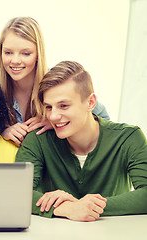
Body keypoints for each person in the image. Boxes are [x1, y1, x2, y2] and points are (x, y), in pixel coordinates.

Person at [15, 61, 147, 221]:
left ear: (91, 103)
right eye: (48, 107)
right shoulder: (37, 140)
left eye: (63, 106)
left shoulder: (128, 138)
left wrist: (84, 208)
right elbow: (18, 193)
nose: (53, 116)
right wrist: (67, 208)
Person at [0, 17, 110, 145]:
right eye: (8, 52)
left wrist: (56, 121)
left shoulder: (57, 83)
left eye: (26, 53)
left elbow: (103, 119)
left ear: (38, 54)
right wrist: (2, 132)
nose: (15, 60)